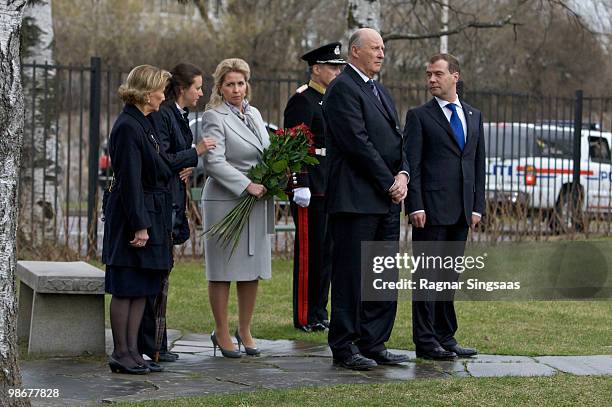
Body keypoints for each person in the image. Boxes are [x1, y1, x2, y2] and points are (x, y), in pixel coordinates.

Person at [322, 28, 410, 370]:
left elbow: (397, 140)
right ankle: (345, 345)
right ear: (354, 51)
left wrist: (403, 175)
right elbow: (357, 143)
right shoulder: (342, 88)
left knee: (382, 275)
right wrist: (388, 180)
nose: (382, 53)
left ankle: (374, 342)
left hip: (386, 199)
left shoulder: (380, 90)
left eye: (384, 48)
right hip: (357, 199)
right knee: (351, 275)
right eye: (375, 47)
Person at [403, 53, 485, 360]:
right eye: (428, 75)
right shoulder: (419, 116)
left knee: (449, 276)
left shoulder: (474, 115)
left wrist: (477, 206)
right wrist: (415, 205)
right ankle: (425, 341)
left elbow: (479, 163)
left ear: (455, 76)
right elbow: (413, 164)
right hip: (431, 211)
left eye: (437, 74)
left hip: (462, 211)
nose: (431, 80)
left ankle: (445, 336)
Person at [138, 63, 216, 363]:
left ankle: (158, 343)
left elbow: (176, 160)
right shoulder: (165, 115)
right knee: (156, 277)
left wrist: (187, 163)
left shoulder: (177, 115)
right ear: (181, 89)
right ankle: (152, 344)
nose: (201, 92)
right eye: (197, 87)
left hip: (172, 201)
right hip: (162, 206)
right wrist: (193, 153)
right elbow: (164, 158)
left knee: (163, 276)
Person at [102, 65, 173, 374]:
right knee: (126, 284)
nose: (163, 96)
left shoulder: (142, 122)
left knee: (142, 285)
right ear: (147, 94)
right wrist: (140, 225)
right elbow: (130, 180)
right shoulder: (128, 127)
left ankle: (133, 351)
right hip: (133, 216)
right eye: (160, 90)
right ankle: (121, 351)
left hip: (147, 211)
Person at [201, 58, 273, 358]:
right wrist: (246, 184)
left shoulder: (254, 114)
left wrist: (272, 175)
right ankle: (220, 331)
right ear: (220, 87)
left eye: (241, 83)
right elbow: (213, 162)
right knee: (222, 270)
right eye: (230, 84)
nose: (236, 90)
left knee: (250, 269)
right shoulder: (213, 117)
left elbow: (266, 151)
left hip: (255, 202)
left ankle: (244, 329)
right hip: (226, 200)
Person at [283, 42, 345, 332]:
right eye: (332, 66)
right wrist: (299, 183)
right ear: (316, 69)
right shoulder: (302, 100)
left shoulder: (332, 99)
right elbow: (293, 145)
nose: (337, 71)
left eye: (339, 66)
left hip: (331, 183)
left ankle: (320, 310)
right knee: (310, 253)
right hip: (311, 186)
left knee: (327, 253)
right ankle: (305, 314)